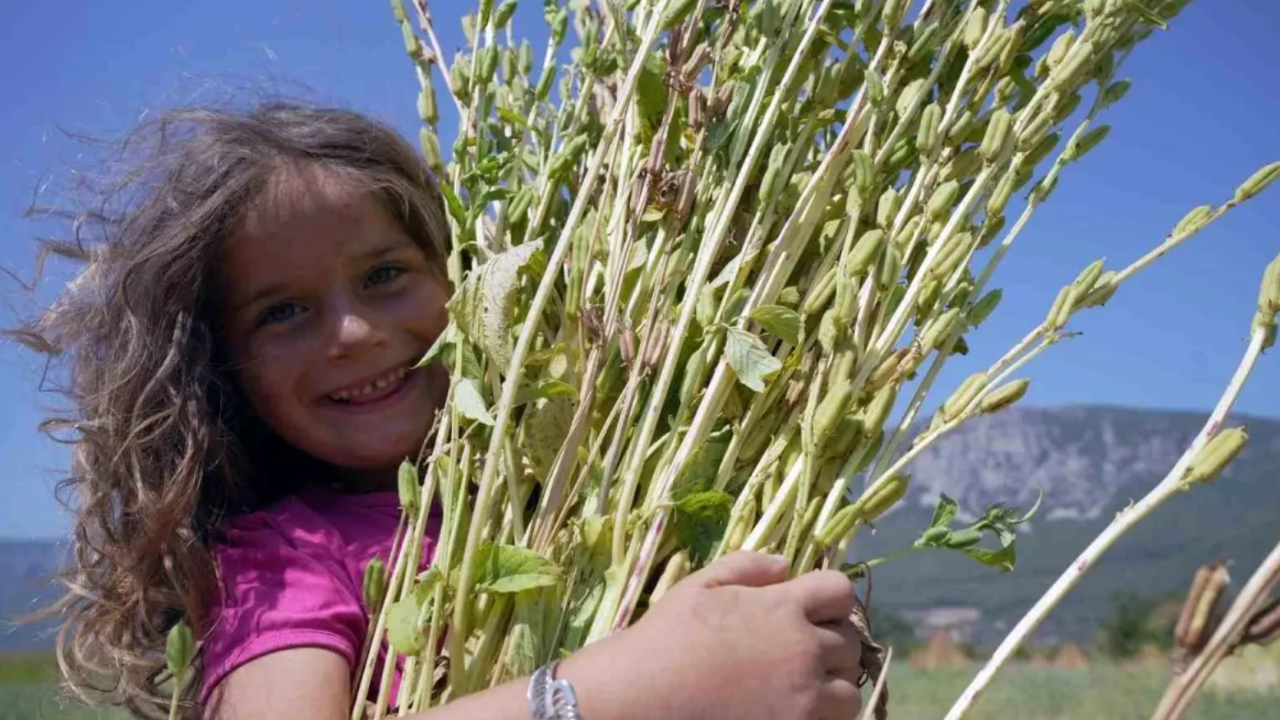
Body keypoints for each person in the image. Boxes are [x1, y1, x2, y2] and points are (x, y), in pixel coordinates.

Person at [12, 101, 867, 720]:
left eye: (385, 275)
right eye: (281, 312)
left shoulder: (599, 478)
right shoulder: (287, 558)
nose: (352, 332)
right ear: (224, 370)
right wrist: (609, 692)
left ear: (468, 276)